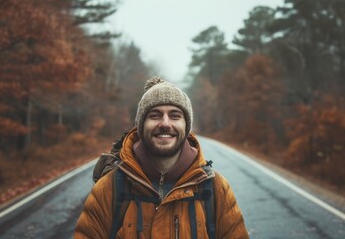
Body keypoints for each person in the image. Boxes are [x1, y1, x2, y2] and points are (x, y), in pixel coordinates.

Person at [74, 77, 249, 239]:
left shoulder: (216, 189)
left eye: (175, 115)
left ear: (186, 127)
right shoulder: (108, 189)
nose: (165, 123)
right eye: (155, 115)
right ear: (141, 126)